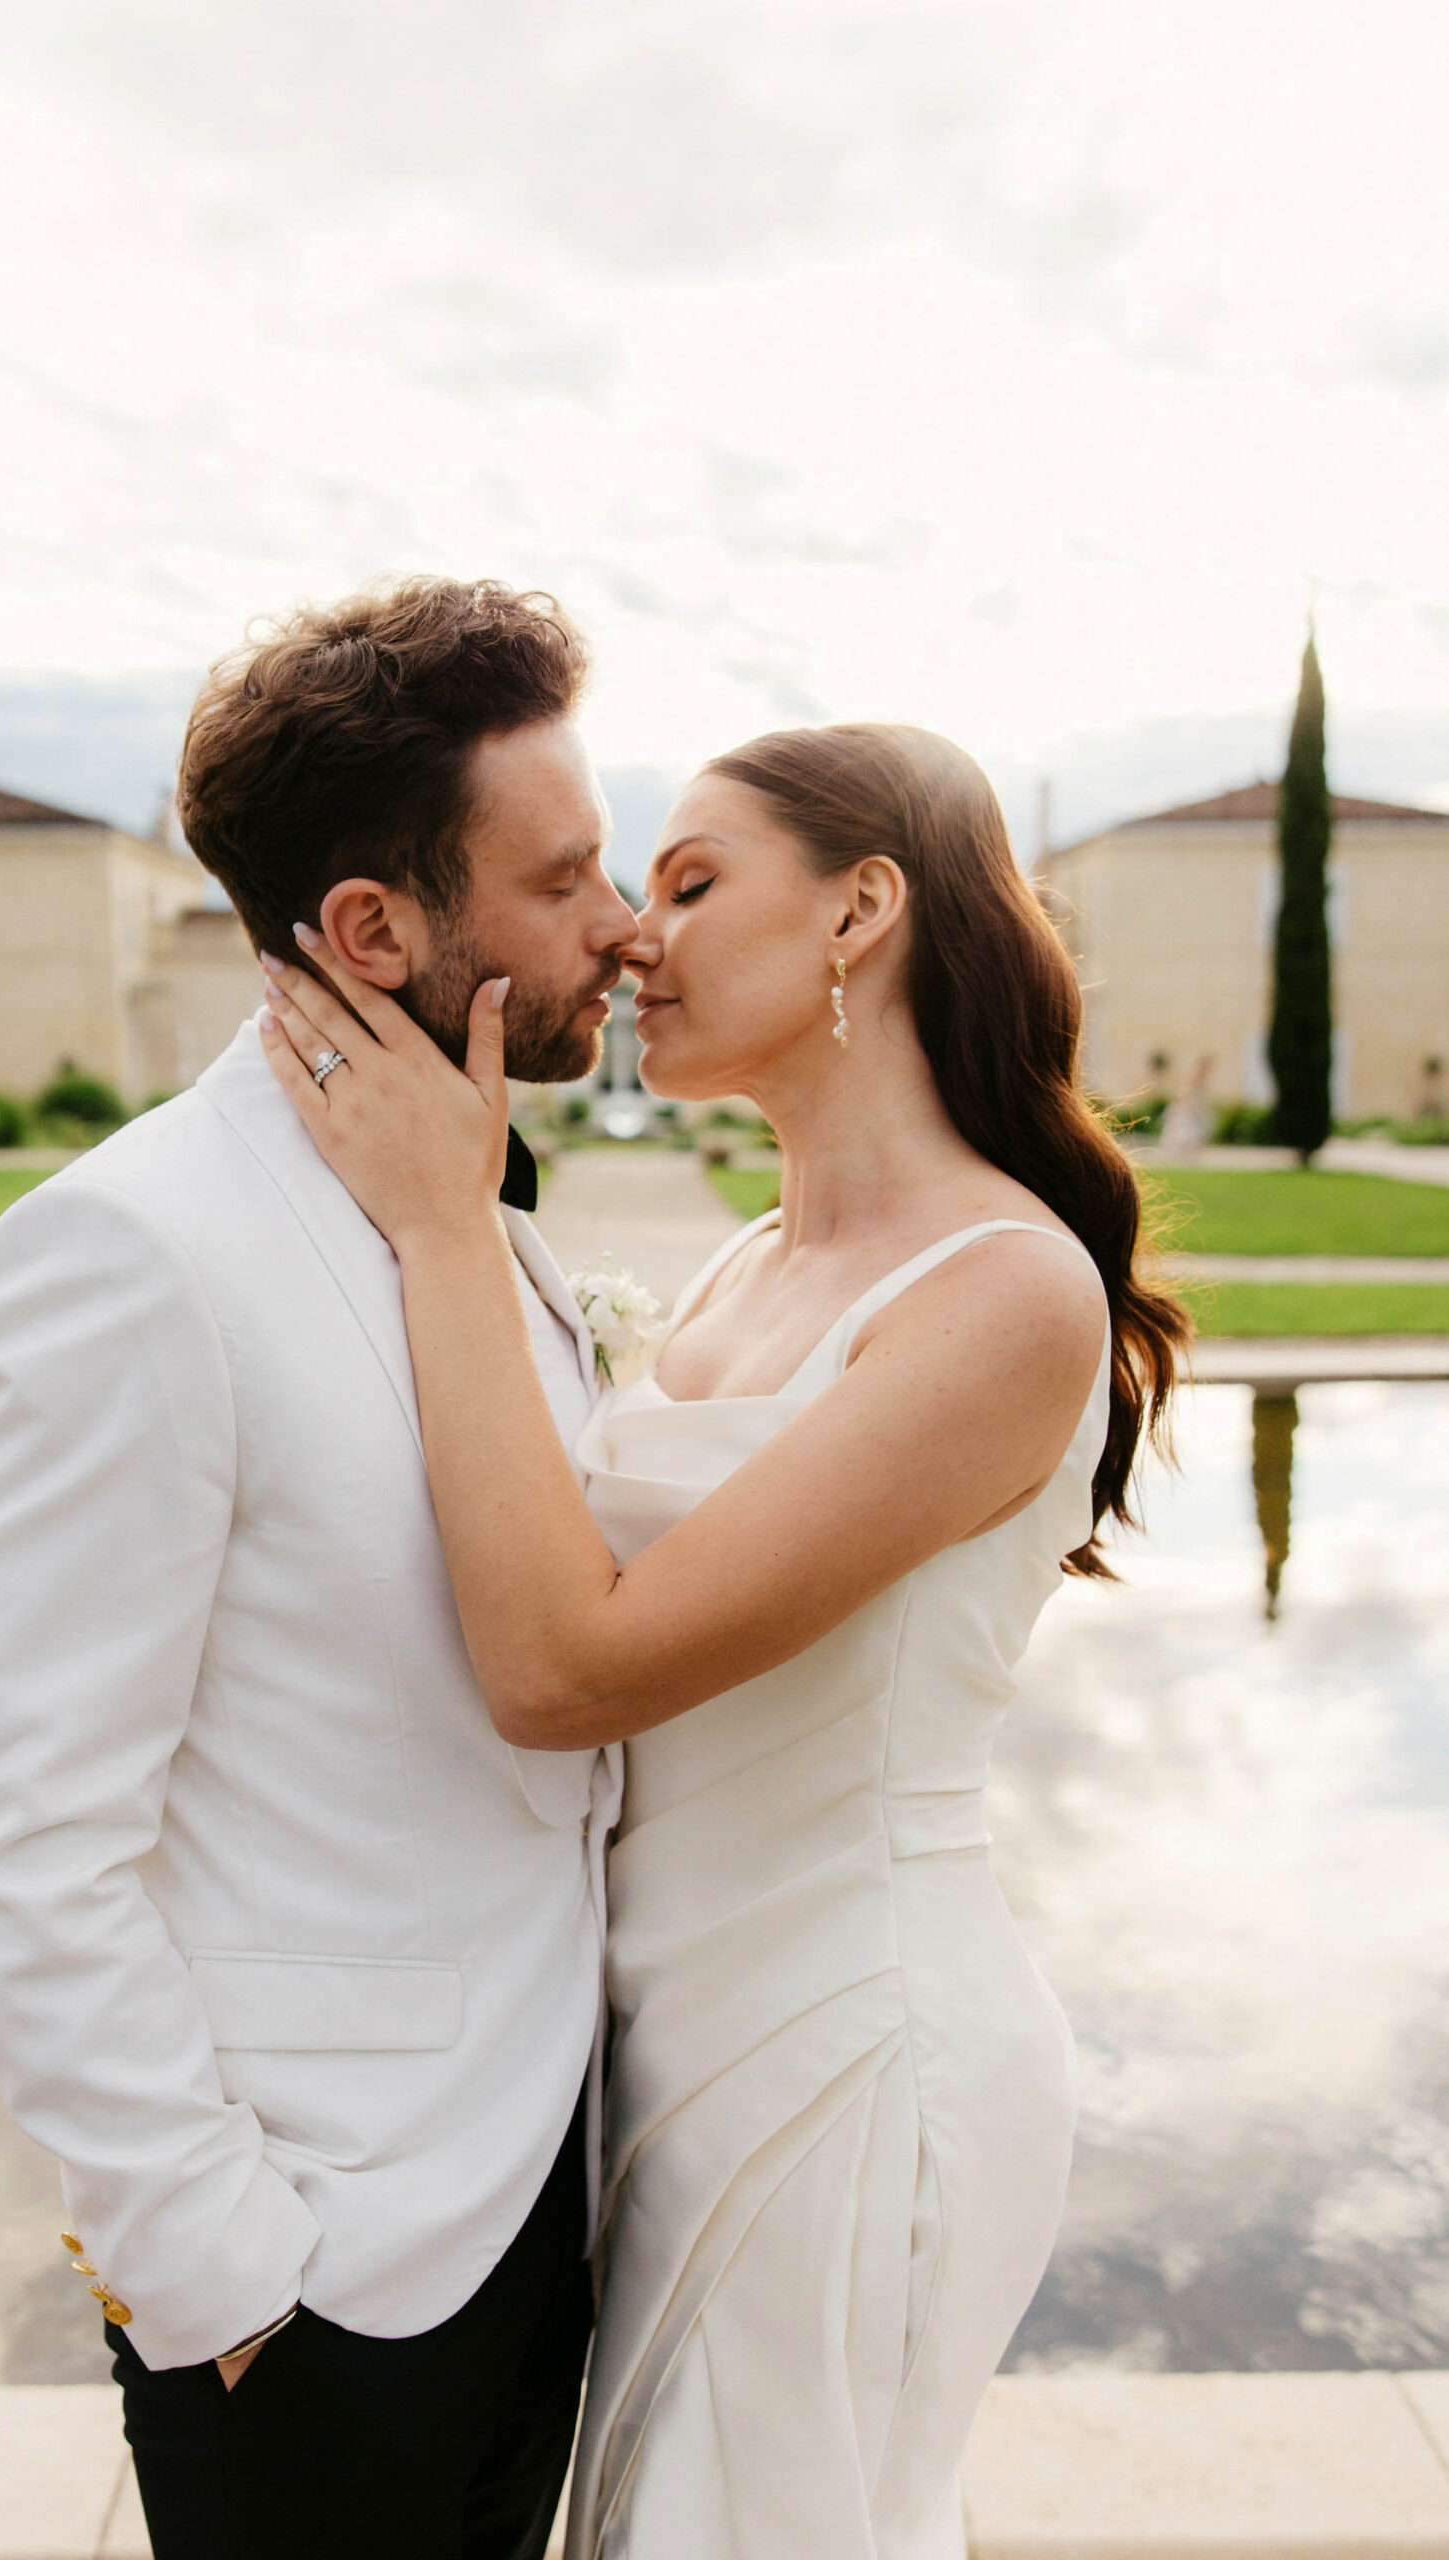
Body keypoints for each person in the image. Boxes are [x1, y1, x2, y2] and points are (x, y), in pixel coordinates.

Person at [257, 719, 1190, 2560]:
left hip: (849, 2053)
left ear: (861, 911)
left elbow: (566, 1672)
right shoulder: (736, 1272)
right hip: (657, 2049)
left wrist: (449, 1224)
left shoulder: (1003, 1293)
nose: (629, 937)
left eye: (691, 883)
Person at [0, 577, 639, 2560]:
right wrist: (217, 2271)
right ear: (370, 930)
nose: (619, 924)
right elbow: (18, 1836)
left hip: (537, 2204)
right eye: (563, 875)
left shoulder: (476, 1223)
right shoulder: (126, 1252)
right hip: (312, 2273)